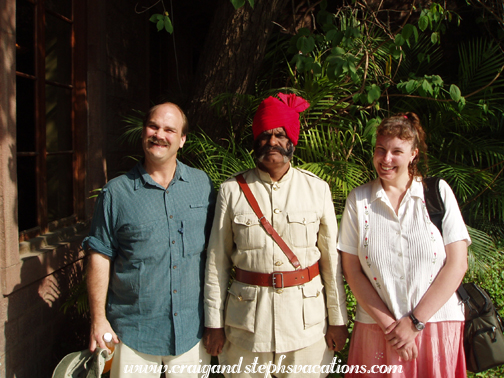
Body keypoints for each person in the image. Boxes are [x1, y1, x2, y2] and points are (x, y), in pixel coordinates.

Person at [203, 93, 348, 378]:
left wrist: (338, 319)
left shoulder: (317, 190)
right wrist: (214, 323)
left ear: (292, 140)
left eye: (280, 135)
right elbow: (216, 263)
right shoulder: (231, 191)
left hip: (305, 326)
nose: (272, 142)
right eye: (265, 135)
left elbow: (331, 264)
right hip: (247, 327)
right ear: (255, 140)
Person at [83, 102, 216, 378]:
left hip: (191, 332)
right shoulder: (115, 194)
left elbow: (218, 252)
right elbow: (99, 255)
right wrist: (98, 320)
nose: (159, 134)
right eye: (153, 126)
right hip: (132, 334)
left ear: (182, 140)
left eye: (169, 129)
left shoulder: (202, 186)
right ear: (143, 133)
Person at [338, 112, 470, 377]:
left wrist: (414, 323)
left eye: (397, 151)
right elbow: (352, 271)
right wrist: (392, 327)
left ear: (413, 154)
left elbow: (457, 264)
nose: (386, 159)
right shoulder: (359, 200)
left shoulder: (438, 192)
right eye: (381, 150)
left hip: (436, 325)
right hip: (378, 329)